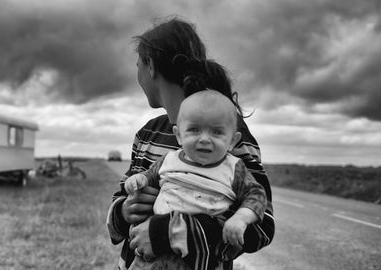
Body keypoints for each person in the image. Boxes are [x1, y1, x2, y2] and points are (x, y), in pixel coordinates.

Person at [106, 17, 275, 270]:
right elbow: (120, 203)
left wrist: (167, 233)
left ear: (150, 66)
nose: (205, 138)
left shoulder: (229, 134)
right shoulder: (147, 134)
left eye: (137, 65)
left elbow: (262, 227)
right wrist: (124, 210)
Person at [124, 90, 267, 269]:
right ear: (178, 135)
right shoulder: (168, 160)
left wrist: (240, 219)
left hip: (200, 259)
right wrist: (138, 179)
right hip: (151, 256)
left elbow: (257, 195)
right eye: (194, 130)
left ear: (232, 141)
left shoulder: (234, 168)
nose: (205, 139)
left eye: (216, 132)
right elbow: (149, 177)